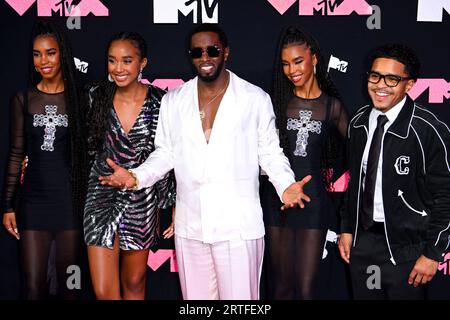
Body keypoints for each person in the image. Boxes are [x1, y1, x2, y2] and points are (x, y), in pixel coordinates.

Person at [97, 23, 312, 300]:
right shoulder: (174, 100)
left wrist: (285, 185)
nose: (205, 57)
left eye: (212, 50)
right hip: (191, 228)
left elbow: (270, 152)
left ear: (226, 52)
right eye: (197, 52)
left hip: (238, 229)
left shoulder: (255, 99)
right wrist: (136, 177)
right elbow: (165, 153)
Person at [338, 43, 450, 299]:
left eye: (392, 79)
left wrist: (433, 254)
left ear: (409, 84)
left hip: (408, 251)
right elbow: (355, 182)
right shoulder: (358, 123)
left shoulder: (427, 130)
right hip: (362, 244)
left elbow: (446, 195)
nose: (381, 85)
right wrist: (347, 228)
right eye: (375, 76)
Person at [83, 31, 176, 300]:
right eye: (112, 61)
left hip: (141, 199)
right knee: (104, 292)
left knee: (135, 283)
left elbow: (170, 155)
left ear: (142, 62)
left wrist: (171, 203)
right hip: (100, 196)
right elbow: (79, 145)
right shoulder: (94, 95)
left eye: (126, 60)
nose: (118, 68)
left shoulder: (162, 101)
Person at [260, 26, 349, 299]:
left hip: (314, 202)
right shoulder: (275, 103)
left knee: (307, 289)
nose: (291, 70)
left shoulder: (332, 107)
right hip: (278, 201)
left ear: (314, 58)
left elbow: (358, 153)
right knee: (282, 287)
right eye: (286, 64)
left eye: (298, 61)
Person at [2, 18, 86, 299]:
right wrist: (8, 205)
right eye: (37, 54)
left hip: (69, 204)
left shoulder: (81, 99)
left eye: (50, 53)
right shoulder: (23, 99)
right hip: (33, 203)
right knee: (33, 285)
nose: (43, 61)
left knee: (69, 286)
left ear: (62, 52)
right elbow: (16, 153)